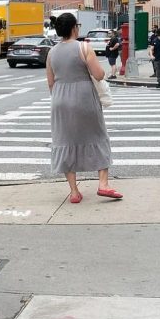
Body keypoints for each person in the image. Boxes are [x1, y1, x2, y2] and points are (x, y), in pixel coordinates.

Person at [45, 13, 121, 204]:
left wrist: (62, 94)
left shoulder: (52, 52)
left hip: (60, 100)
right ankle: (103, 184)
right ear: (74, 28)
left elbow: (51, 83)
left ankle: (74, 192)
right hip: (84, 97)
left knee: (65, 141)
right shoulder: (83, 47)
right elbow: (99, 74)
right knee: (98, 137)